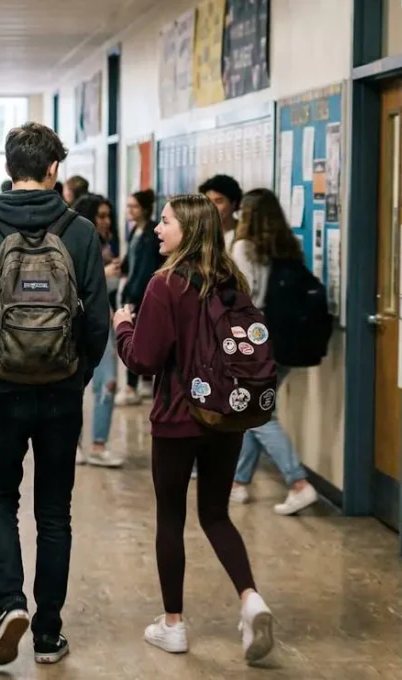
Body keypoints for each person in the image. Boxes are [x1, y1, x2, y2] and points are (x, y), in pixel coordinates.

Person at [0, 122, 110, 666]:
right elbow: (98, 323)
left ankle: (10, 603)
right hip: (61, 391)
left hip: (0, 388)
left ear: (9, 166)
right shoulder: (81, 231)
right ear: (54, 168)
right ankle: (47, 632)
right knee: (55, 512)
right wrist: (77, 376)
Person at [113, 193, 275, 664]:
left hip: (178, 418)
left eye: (165, 222)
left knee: (171, 517)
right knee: (216, 514)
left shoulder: (165, 285)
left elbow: (144, 359)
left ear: (188, 229)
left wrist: (123, 326)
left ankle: (173, 624)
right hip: (227, 415)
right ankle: (250, 598)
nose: (158, 229)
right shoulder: (232, 281)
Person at [228, 189, 320, 515]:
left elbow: (243, 297)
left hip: (255, 340)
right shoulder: (286, 248)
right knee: (255, 411)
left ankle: (298, 483)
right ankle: (238, 482)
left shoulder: (243, 248)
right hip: (285, 341)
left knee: (256, 413)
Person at [72, 194, 124, 468]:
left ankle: (99, 444)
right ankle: (75, 443)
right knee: (75, 385)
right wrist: (103, 274)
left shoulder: (107, 246)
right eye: (100, 216)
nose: (105, 221)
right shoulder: (76, 244)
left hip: (105, 324)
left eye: (107, 216)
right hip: (80, 325)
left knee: (109, 383)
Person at [116, 189, 161, 406]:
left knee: (134, 338)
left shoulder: (151, 233)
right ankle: (142, 382)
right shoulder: (135, 230)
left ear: (143, 209)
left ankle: (131, 386)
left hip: (141, 293)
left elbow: (146, 268)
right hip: (133, 289)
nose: (129, 210)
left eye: (133, 206)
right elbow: (131, 262)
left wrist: (132, 295)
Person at [198, 174, 243, 247]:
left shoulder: (244, 234)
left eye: (219, 201)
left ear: (234, 203)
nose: (212, 207)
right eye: (208, 202)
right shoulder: (200, 235)